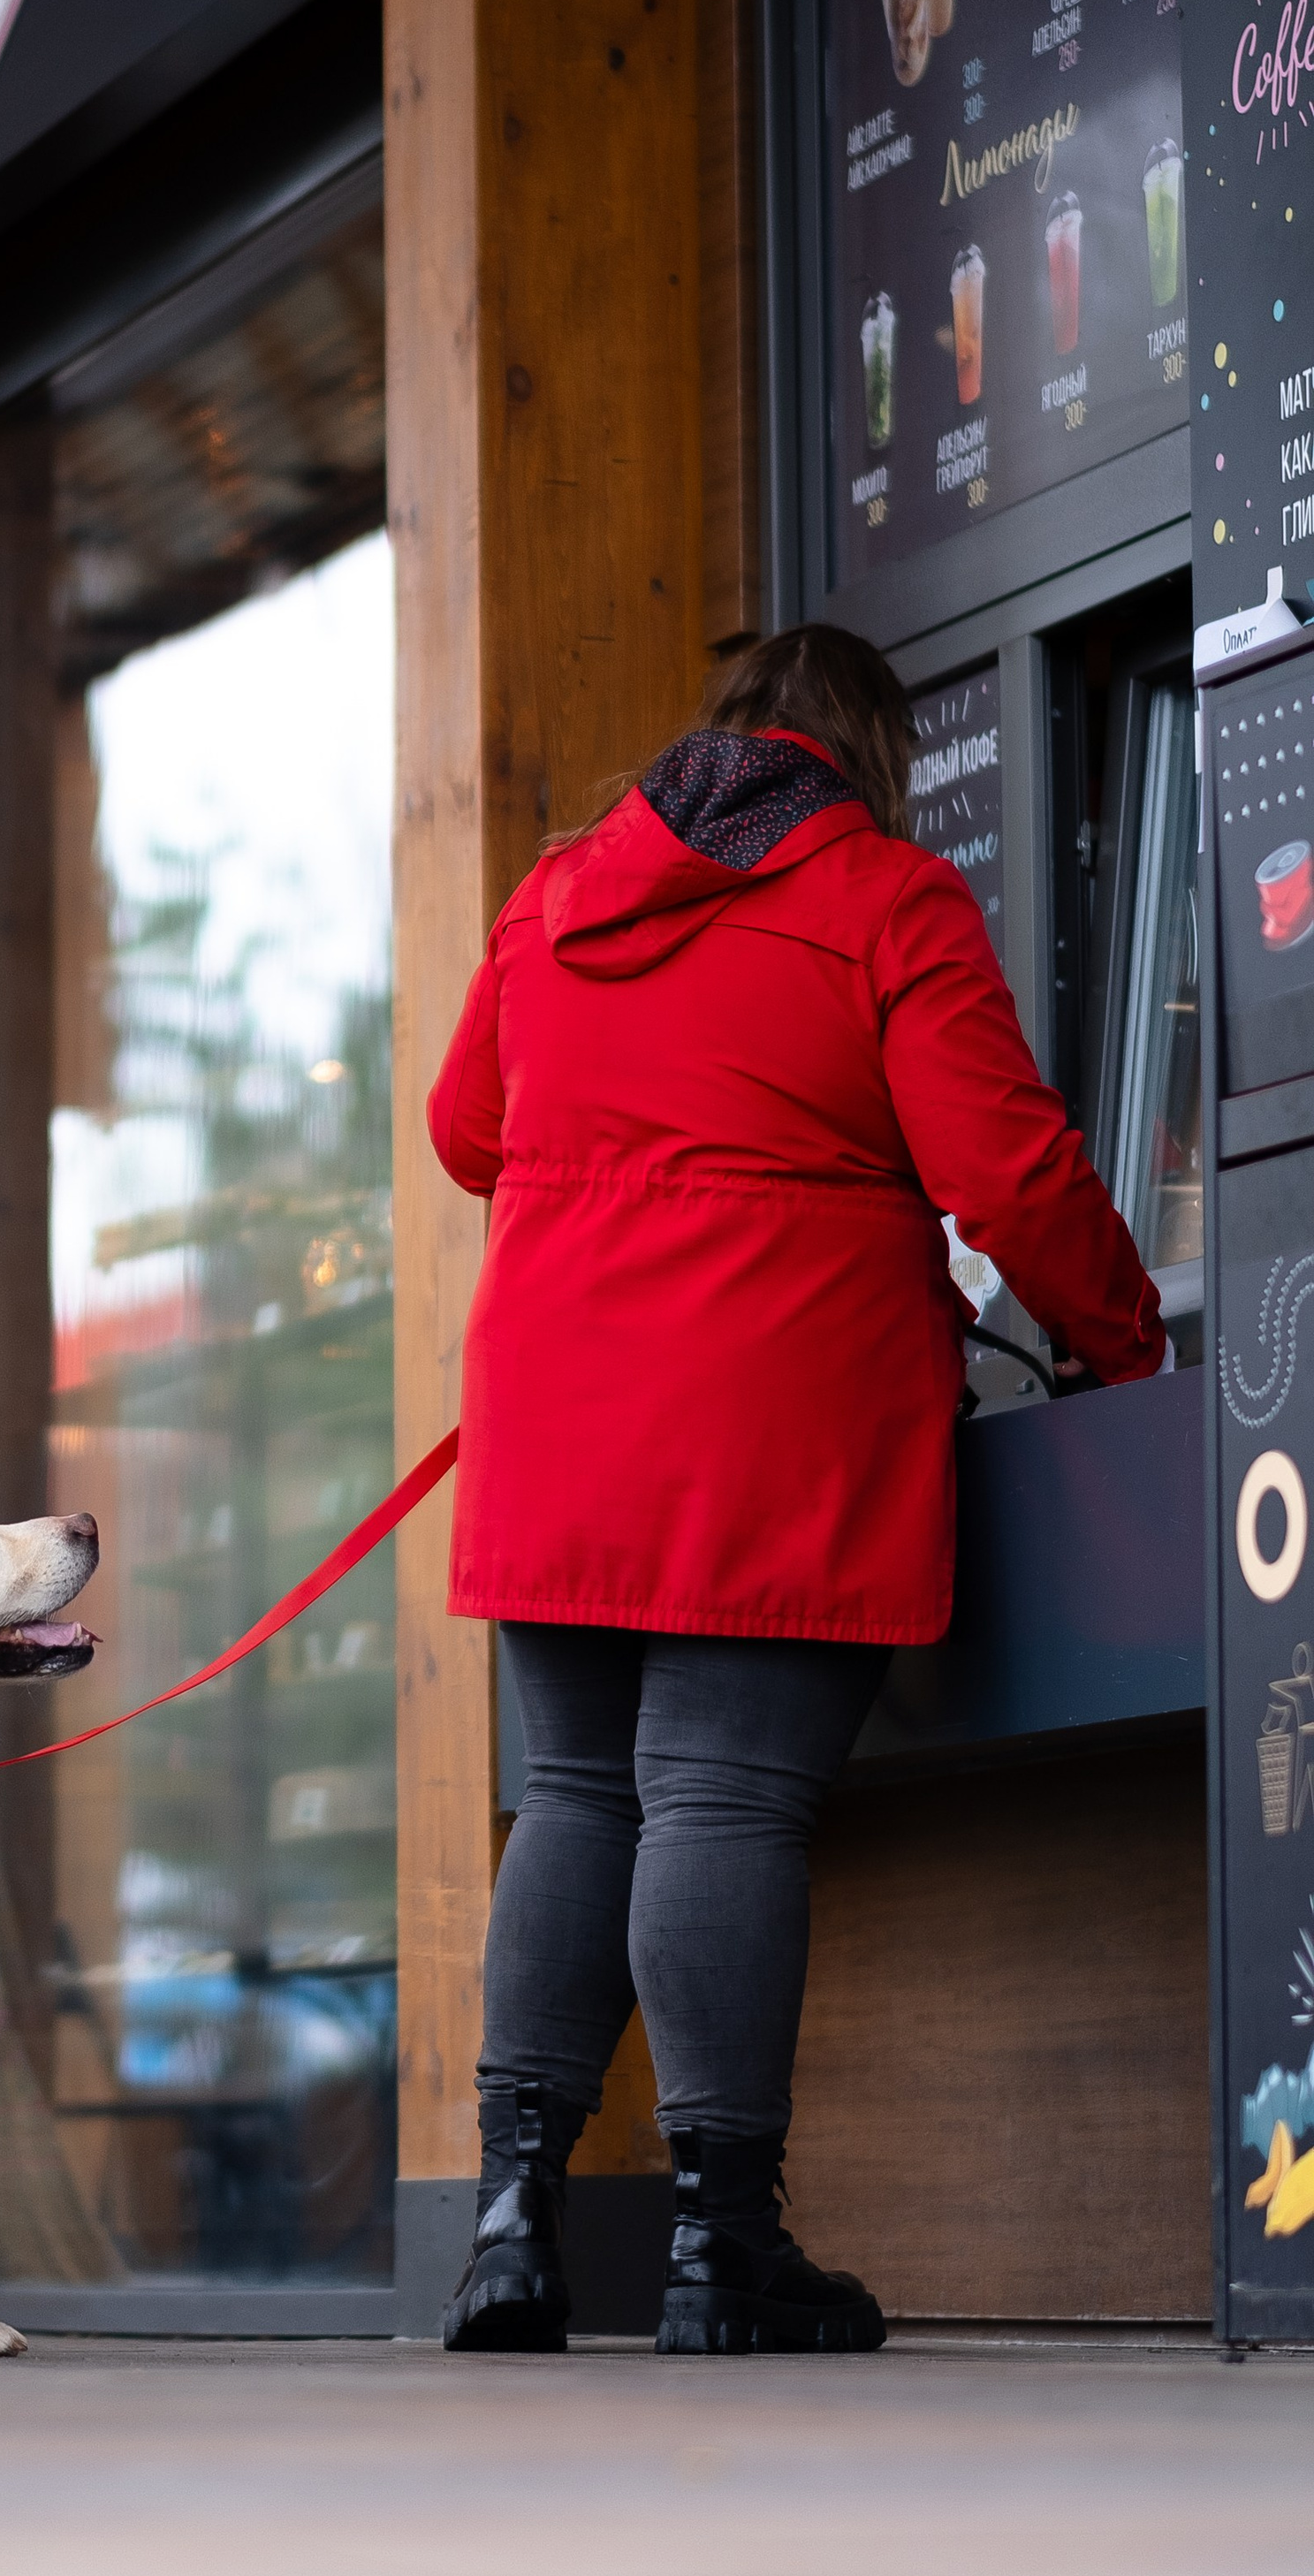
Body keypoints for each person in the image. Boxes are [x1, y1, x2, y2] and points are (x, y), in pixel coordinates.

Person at [427, 623, 1166, 2358]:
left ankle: (509, 2232)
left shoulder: (551, 900)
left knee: (575, 1795)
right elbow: (1006, 1170)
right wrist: (1127, 1347)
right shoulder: (887, 900)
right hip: (774, 1401)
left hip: (555, 1398)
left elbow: (470, 1129)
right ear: (866, 753)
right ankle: (714, 2251)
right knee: (719, 1804)